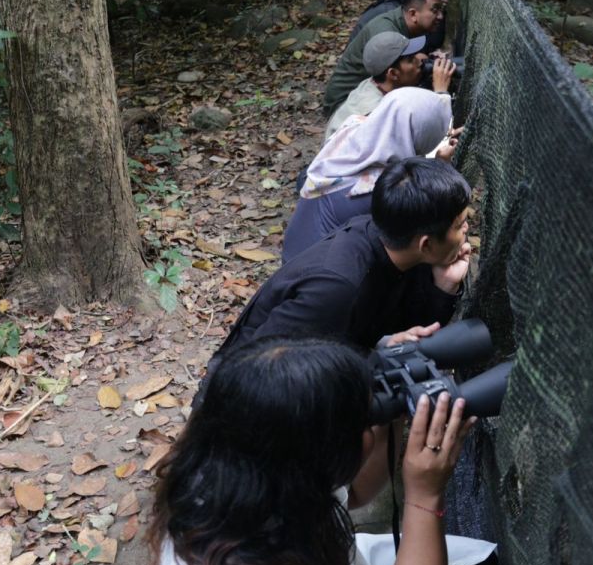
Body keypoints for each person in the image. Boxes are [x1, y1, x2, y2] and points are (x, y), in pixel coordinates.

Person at [152, 338, 497, 565]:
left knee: (481, 561)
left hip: (322, 561)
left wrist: (389, 407)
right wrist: (425, 494)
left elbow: (356, 493)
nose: (370, 426)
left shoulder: (226, 468)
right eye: (365, 423)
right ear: (326, 455)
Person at [194, 157, 473, 403]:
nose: (467, 230)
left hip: (313, 369)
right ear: (425, 244)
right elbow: (263, 370)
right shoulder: (336, 286)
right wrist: (374, 357)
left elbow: (410, 322)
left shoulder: (396, 242)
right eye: (460, 225)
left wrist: (443, 287)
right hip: (243, 399)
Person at [286, 88, 458, 262]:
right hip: (321, 275)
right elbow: (433, 215)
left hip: (294, 254)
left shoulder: (354, 127)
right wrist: (440, 167)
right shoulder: (387, 185)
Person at [324, 0, 446, 114]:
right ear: (413, 14)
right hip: (347, 104)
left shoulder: (405, 23)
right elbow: (397, 78)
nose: (440, 16)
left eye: (441, 10)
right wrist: (440, 92)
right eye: (435, 10)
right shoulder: (386, 34)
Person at [325, 31, 457, 141]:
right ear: (393, 73)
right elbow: (427, 142)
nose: (419, 61)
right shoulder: (377, 114)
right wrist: (441, 92)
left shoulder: (374, 83)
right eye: (411, 60)